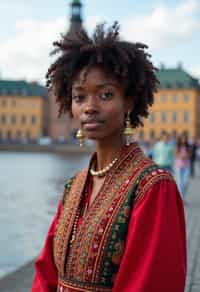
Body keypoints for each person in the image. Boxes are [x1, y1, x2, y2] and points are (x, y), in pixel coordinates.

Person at [32, 22, 186, 292]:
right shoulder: (74, 186)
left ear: (128, 101)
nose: (90, 107)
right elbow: (46, 275)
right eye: (79, 97)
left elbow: (149, 284)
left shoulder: (152, 187)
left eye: (105, 94)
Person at [174, 133, 191, 199]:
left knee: (186, 182)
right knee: (179, 183)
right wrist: (180, 156)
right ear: (180, 139)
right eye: (182, 138)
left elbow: (190, 155)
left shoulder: (188, 146)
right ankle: (181, 198)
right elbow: (175, 155)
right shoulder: (177, 146)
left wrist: (186, 156)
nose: (184, 139)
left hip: (186, 166)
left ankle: (182, 196)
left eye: (185, 138)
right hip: (178, 166)